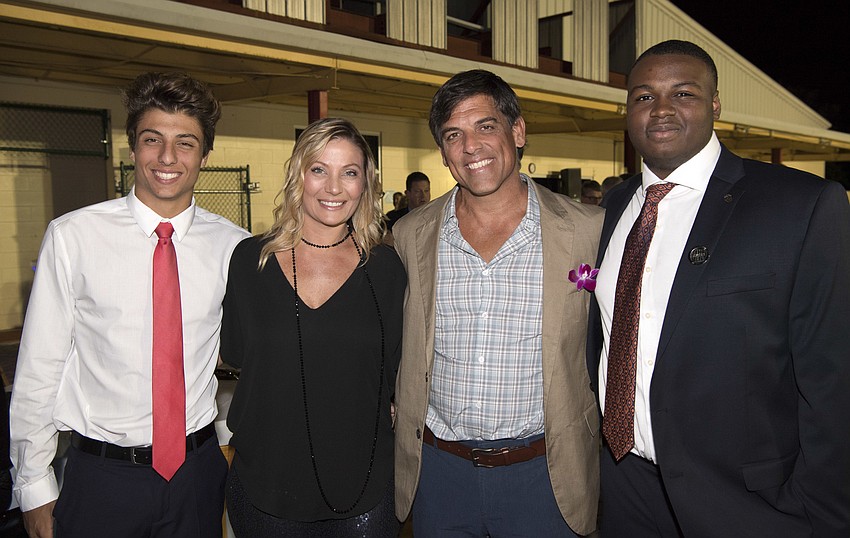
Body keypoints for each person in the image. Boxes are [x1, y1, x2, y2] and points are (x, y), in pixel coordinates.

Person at [588, 39, 850, 537]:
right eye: (643, 97)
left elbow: (832, 380)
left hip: (749, 501)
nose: (660, 109)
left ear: (715, 105)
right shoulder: (606, 211)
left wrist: (824, 511)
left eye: (682, 93)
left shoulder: (799, 205)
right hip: (624, 488)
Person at [9, 72, 250, 537]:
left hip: (196, 475)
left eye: (185, 143)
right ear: (132, 147)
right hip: (101, 477)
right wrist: (34, 485)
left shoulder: (233, 247)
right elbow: (39, 368)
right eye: (152, 139)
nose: (167, 157)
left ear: (204, 155)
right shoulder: (73, 237)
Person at [393, 69, 603, 537]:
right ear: (444, 153)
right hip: (440, 475)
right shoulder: (411, 234)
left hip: (546, 475)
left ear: (518, 130)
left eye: (485, 126)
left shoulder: (589, 231)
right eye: (453, 135)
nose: (471, 146)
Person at [221, 117, 405, 537]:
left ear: (367, 184)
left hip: (365, 489)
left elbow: (394, 370)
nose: (334, 187)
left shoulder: (387, 268)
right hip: (266, 487)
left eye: (350, 172)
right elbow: (236, 354)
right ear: (298, 175)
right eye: (319, 169)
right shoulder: (251, 261)